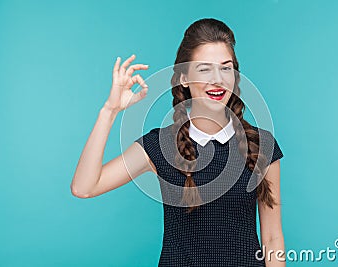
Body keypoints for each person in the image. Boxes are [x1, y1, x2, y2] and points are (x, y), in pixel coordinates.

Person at [71, 18, 285, 267]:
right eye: (205, 69)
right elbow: (85, 187)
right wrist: (109, 111)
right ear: (184, 77)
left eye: (226, 68)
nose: (218, 79)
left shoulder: (261, 145)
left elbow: (272, 238)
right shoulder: (159, 145)